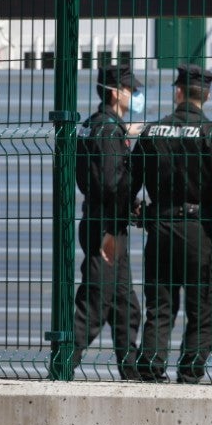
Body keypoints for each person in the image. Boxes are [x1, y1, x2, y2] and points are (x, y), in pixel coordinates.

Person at [132, 63, 212, 383]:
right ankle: (190, 374)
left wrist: (135, 209)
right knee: (204, 309)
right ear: (206, 96)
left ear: (178, 92)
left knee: (161, 308)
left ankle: (151, 371)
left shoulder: (152, 132)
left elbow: (129, 184)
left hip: (161, 229)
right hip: (200, 233)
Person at [52, 63, 145, 380]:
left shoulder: (95, 125)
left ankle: (130, 370)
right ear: (116, 93)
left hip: (104, 223)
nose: (134, 95)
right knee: (94, 304)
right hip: (106, 227)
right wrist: (130, 205)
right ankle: (63, 364)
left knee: (126, 307)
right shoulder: (108, 131)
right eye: (131, 90)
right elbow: (110, 182)